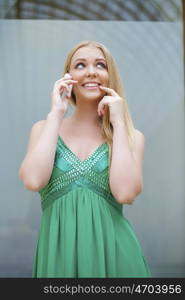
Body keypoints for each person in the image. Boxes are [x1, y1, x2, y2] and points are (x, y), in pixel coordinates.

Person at [19, 40, 151, 278]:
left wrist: (119, 123)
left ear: (110, 75)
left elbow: (125, 193)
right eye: (80, 65)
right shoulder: (43, 128)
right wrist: (56, 113)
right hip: (58, 260)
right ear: (67, 77)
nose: (91, 71)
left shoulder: (132, 137)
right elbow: (32, 180)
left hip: (117, 261)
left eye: (100, 65)